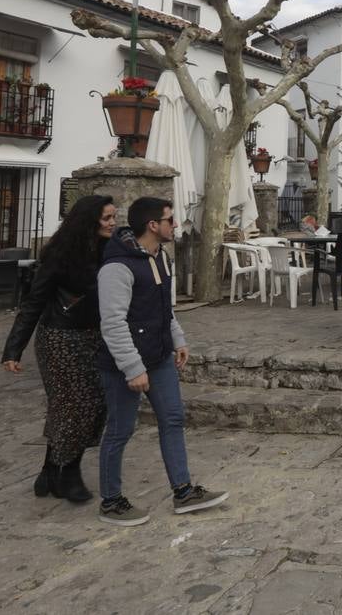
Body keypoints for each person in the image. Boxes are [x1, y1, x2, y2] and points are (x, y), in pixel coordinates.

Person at [96, 197, 227, 526]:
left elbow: (164, 308)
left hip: (159, 355)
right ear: (153, 225)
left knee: (173, 418)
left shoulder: (163, 259)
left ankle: (183, 491)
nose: (175, 226)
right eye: (170, 220)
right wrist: (133, 367)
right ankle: (111, 500)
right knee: (119, 430)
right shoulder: (116, 267)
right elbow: (112, 322)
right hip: (123, 364)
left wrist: (177, 338)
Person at [1, 195, 117, 504]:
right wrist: (14, 349)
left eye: (113, 217)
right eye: (107, 218)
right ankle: (69, 474)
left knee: (92, 405)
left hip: (95, 337)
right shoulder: (60, 255)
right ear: (89, 220)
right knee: (72, 406)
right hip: (60, 339)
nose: (112, 222)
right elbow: (34, 302)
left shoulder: (110, 251)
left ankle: (49, 469)